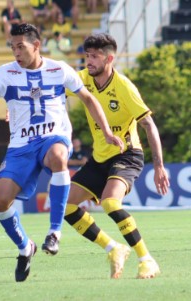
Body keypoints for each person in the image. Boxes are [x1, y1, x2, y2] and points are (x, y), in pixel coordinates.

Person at [0, 23, 123, 282]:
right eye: (12, 47)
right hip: (20, 146)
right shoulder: (5, 73)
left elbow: (89, 99)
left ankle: (54, 233)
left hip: (53, 137)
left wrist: (106, 132)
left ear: (36, 45)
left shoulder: (59, 69)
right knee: (0, 201)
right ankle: (26, 247)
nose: (15, 52)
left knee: (59, 157)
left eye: (20, 46)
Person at [64, 33, 170, 279]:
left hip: (127, 155)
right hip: (99, 158)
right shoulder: (82, 79)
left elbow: (149, 125)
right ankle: (114, 248)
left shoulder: (124, 87)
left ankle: (147, 259)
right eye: (86, 56)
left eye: (94, 56)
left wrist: (159, 166)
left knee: (111, 203)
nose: (88, 61)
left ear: (109, 58)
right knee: (65, 207)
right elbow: (51, 86)